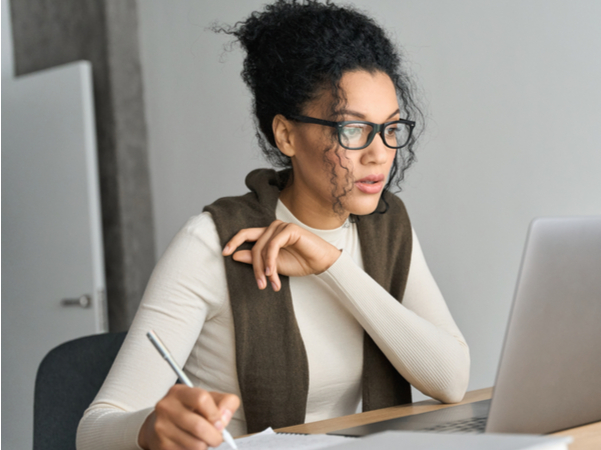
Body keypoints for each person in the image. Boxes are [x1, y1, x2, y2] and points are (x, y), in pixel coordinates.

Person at [77, 2, 470, 449]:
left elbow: (451, 379)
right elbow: (93, 431)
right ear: (286, 136)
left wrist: (331, 265)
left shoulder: (386, 224)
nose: (380, 153)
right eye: (353, 130)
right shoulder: (212, 241)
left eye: (390, 128)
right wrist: (150, 428)